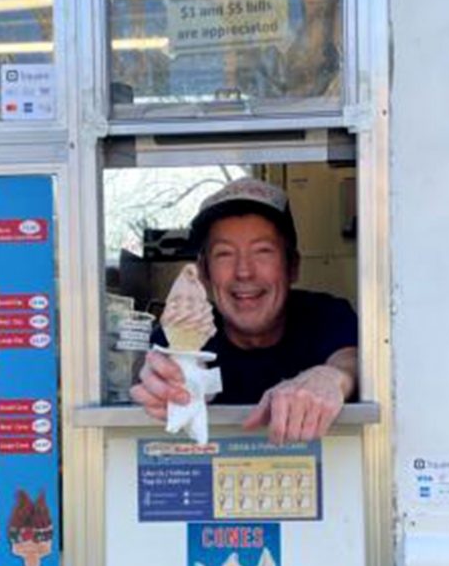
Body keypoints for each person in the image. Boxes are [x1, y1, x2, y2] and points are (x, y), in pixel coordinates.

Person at [131, 178, 358, 444]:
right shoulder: (180, 337)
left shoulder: (326, 316)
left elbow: (352, 359)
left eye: (263, 251)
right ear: (204, 273)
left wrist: (330, 378)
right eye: (224, 254)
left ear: (292, 266)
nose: (244, 272)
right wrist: (156, 385)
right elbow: (148, 372)